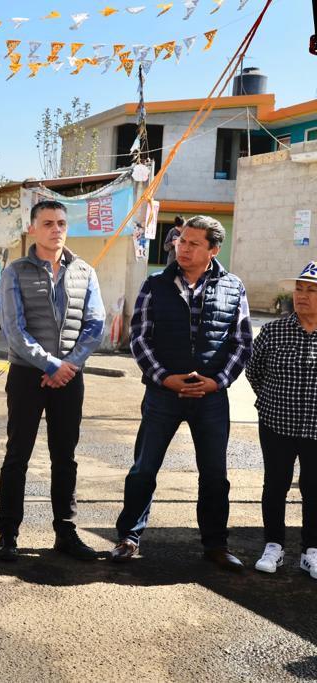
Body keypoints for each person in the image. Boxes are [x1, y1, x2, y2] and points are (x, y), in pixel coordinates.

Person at [111, 215, 252, 571]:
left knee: (215, 475)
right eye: (180, 241)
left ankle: (216, 545)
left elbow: (241, 341)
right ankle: (129, 537)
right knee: (144, 468)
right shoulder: (155, 284)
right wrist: (163, 378)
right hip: (163, 394)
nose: (182, 248)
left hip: (211, 398)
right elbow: (140, 337)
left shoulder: (233, 286)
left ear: (213, 250)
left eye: (193, 243)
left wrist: (218, 381)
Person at [0, 200, 106, 562]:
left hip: (69, 379)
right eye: (47, 223)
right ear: (33, 229)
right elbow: (14, 330)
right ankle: (8, 534)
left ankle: (66, 533)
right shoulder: (15, 272)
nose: (55, 229)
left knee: (65, 457)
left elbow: (94, 325)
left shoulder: (85, 271)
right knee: (17, 456)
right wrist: (50, 365)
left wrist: (68, 365)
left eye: (60, 223)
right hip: (27, 375)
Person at [245, 261, 317, 577]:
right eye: (299, 289)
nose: (303, 296)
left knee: (314, 488)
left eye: (312, 290)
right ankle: (274, 545)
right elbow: (254, 370)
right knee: (275, 484)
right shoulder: (275, 330)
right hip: (277, 423)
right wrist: (273, 400)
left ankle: (311, 550)